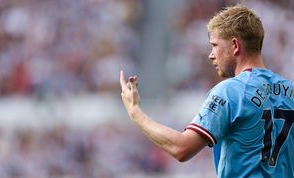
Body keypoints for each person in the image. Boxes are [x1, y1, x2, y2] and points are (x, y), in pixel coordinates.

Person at [119, 4, 294, 178]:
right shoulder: (290, 90)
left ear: (234, 45)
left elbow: (182, 148)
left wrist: (135, 112)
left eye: (215, 45)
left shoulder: (231, 91)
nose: (211, 54)